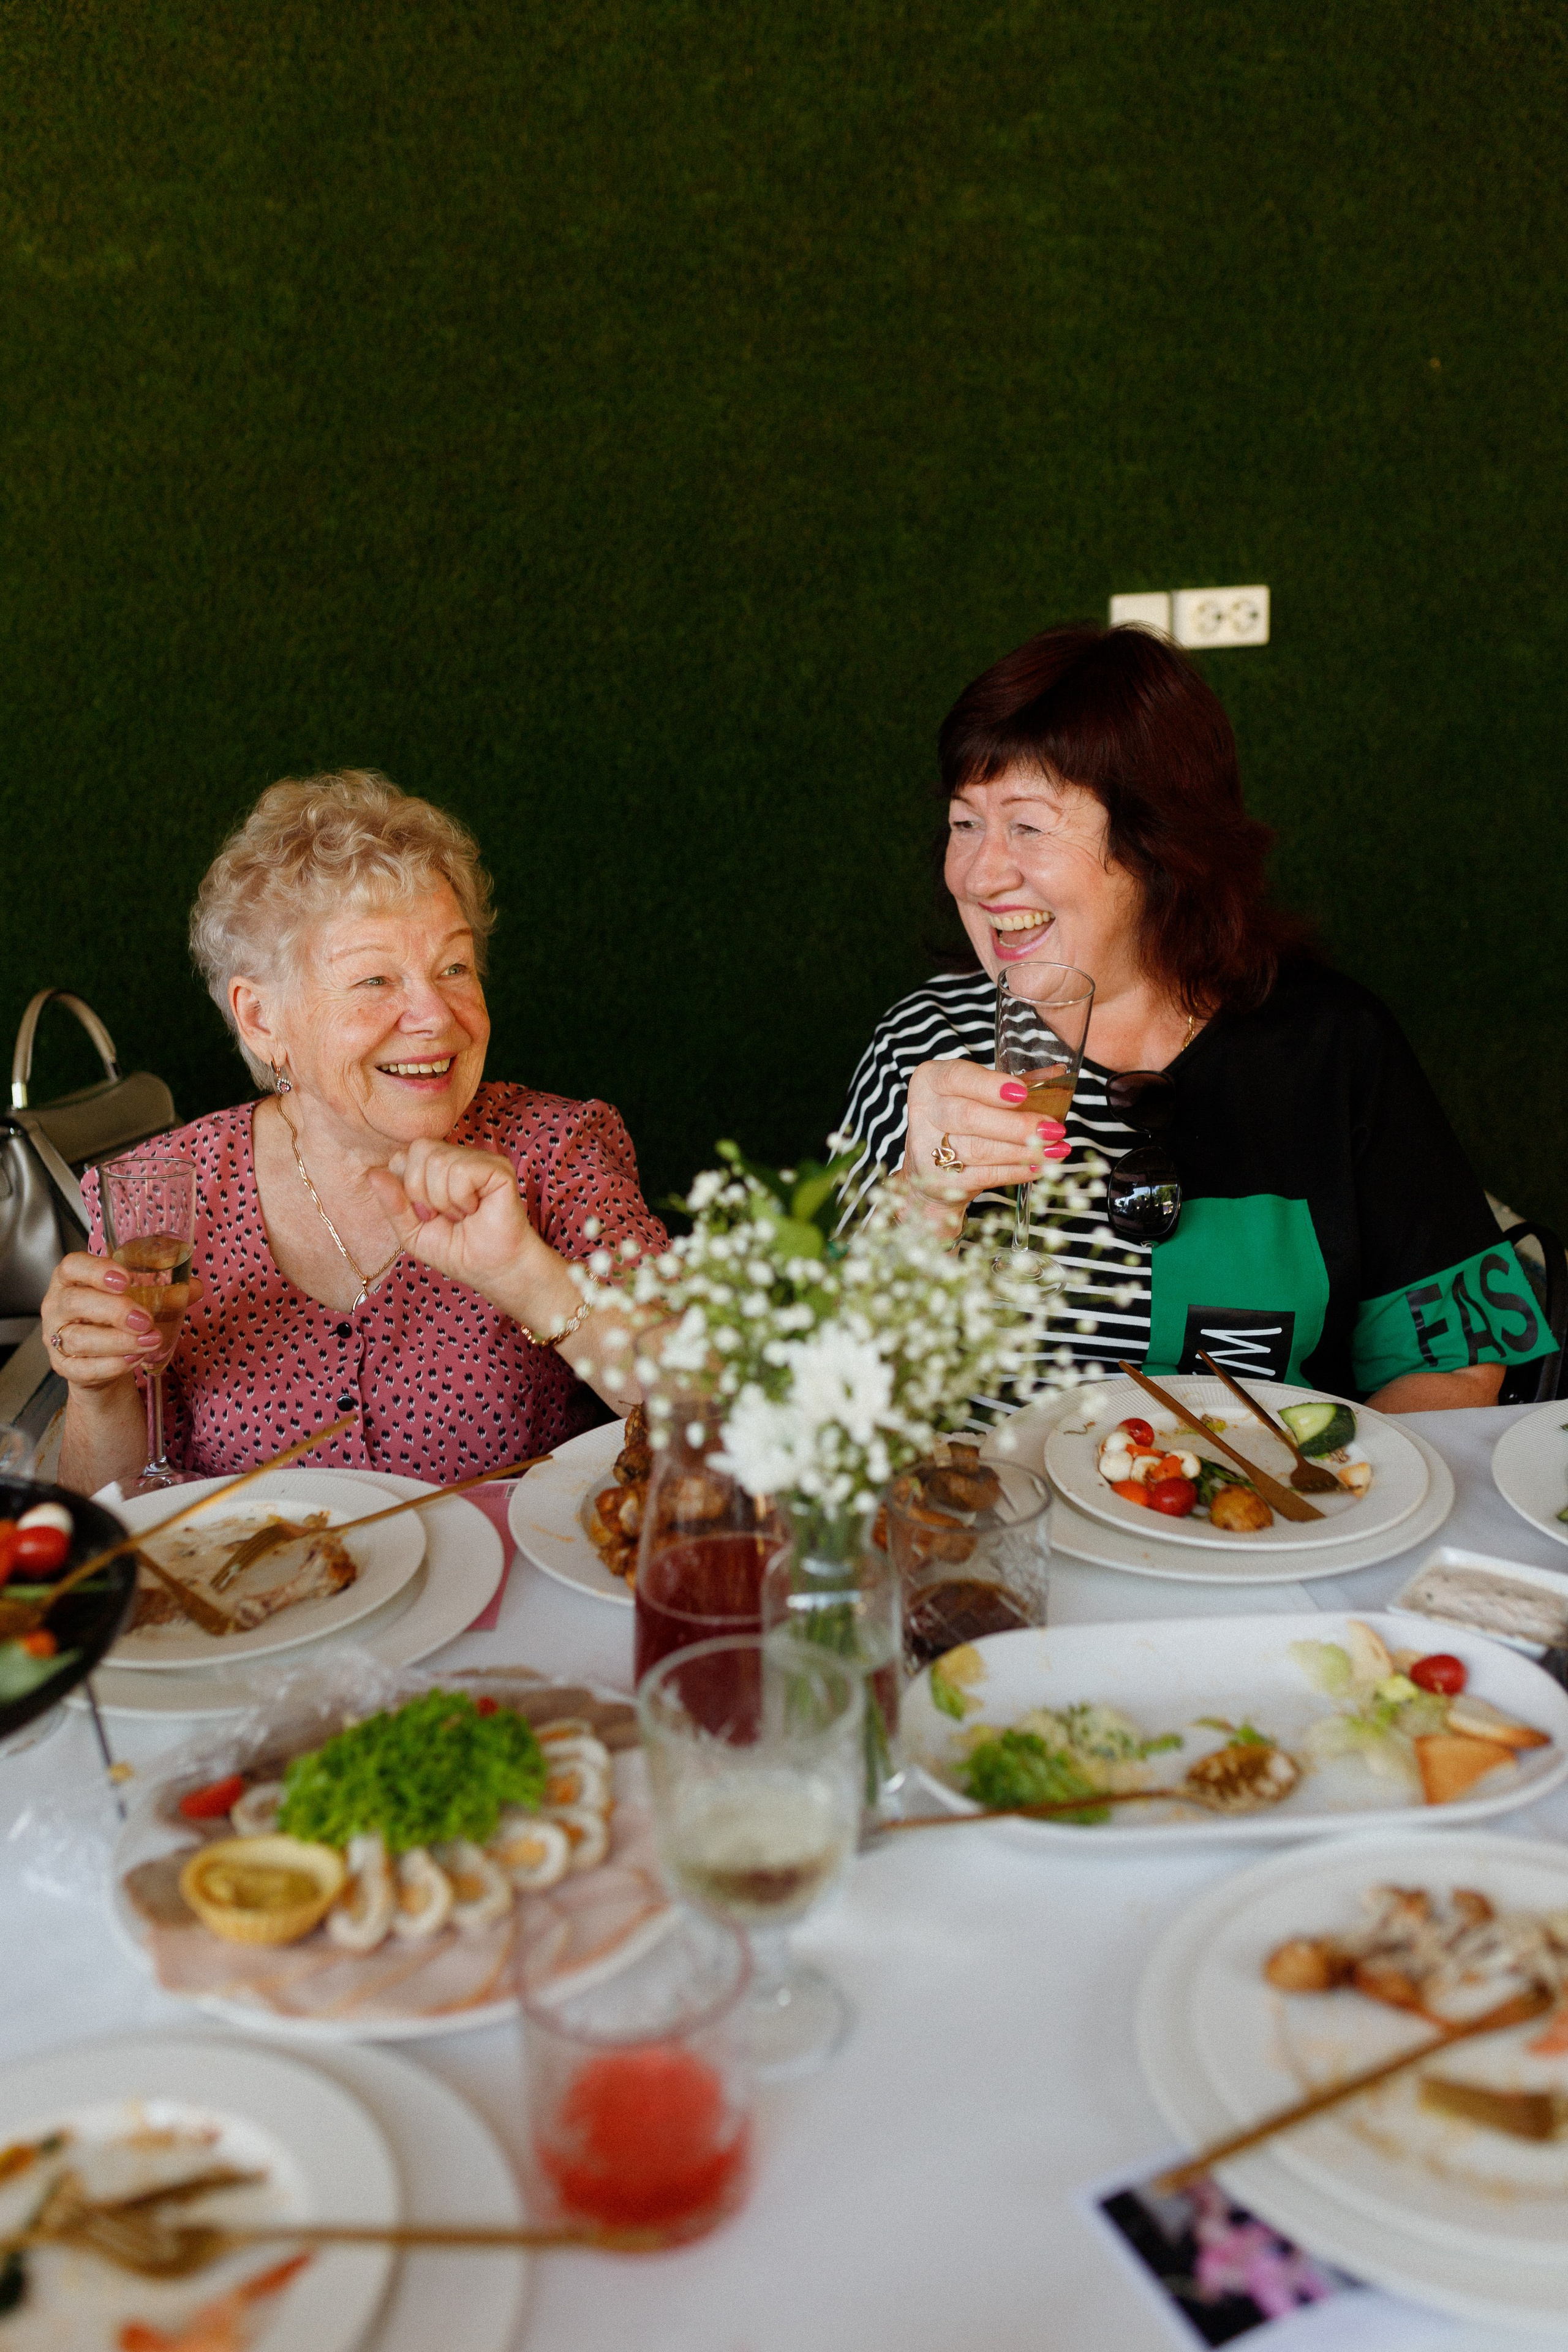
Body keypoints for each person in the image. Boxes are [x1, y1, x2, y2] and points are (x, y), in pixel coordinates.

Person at [842, 624, 1552, 1409]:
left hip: (1261, 1516)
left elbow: (1453, 1358)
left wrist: (1324, 1514)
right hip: (993, 1518)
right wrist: (922, 1203)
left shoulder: (1332, 1046)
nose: (980, 874)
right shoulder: (925, 1047)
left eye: (1028, 826)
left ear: (1159, 842)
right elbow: (831, 1391)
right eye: (964, 822)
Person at [45, 771, 664, 1492]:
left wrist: (532, 1280)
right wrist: (100, 1392)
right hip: (268, 1604)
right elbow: (110, 1525)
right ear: (260, 1019)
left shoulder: (556, 1152)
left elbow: (720, 1425)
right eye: (375, 981)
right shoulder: (169, 1192)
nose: (436, 1015)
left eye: (455, 967)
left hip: (513, 1602)